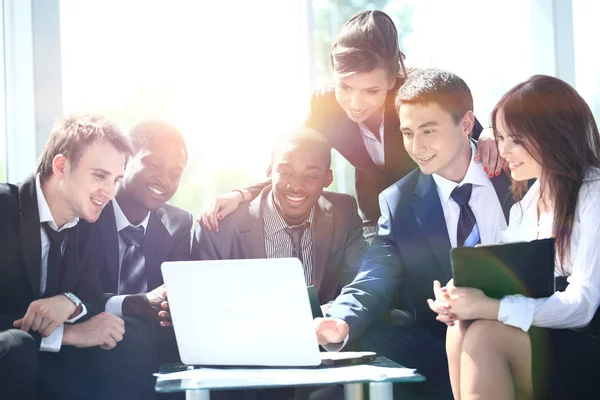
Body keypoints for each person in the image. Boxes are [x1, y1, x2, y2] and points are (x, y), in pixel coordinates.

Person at [198, 10, 501, 237]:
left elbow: (462, 126)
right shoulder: (325, 106)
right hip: (375, 217)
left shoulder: (415, 95)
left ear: (393, 77)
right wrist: (241, 194)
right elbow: (296, 160)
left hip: (436, 212)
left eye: (372, 91)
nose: (356, 104)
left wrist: (489, 132)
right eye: (346, 87)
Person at [313, 69, 513, 397]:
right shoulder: (399, 202)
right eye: (407, 133)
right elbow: (372, 280)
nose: (416, 147)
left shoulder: (515, 168)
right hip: (445, 342)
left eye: (428, 131)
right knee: (363, 340)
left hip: (527, 328)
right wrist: (339, 320)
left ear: (466, 124)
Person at [430, 75, 600, 399]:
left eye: (516, 140)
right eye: (501, 138)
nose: (503, 151)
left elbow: (582, 307)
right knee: (459, 327)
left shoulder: (593, 194)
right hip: (544, 332)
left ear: (553, 134)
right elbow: (497, 271)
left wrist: (490, 308)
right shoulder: (524, 206)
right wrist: (458, 295)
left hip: (585, 337)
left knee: (483, 336)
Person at [0, 115, 150, 399]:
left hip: (50, 363)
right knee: (17, 348)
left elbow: (91, 292)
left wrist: (69, 303)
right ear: (61, 166)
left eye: (116, 179)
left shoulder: (91, 217)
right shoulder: (4, 209)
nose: (110, 192)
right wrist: (68, 335)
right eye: (99, 176)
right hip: (10, 356)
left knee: (132, 341)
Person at [191, 126, 366, 307]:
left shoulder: (344, 213)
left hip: (324, 332)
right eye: (286, 172)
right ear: (270, 173)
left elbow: (361, 283)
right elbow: (203, 303)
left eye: (311, 175)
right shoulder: (219, 228)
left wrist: (331, 314)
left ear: (327, 178)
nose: (296, 186)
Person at [78, 120, 192, 368]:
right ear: (126, 160)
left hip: (149, 353)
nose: (163, 180)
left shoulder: (178, 224)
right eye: (153, 165)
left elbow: (177, 294)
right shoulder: (88, 213)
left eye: (175, 174)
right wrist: (131, 304)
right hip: (88, 349)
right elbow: (74, 292)